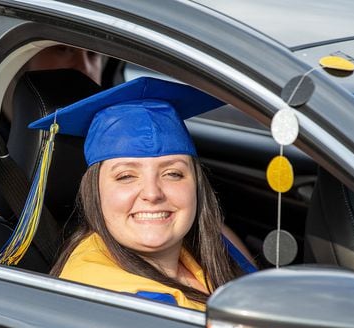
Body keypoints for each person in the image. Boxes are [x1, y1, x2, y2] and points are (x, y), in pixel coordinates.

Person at [28, 76, 257, 311]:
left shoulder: (206, 246)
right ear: (94, 192)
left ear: (197, 185)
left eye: (173, 174)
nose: (152, 193)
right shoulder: (117, 302)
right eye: (126, 176)